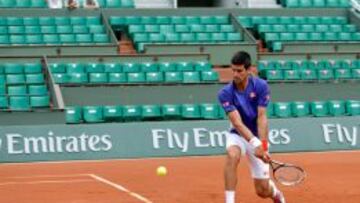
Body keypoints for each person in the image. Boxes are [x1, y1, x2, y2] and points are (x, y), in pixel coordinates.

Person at [218, 51, 286, 203]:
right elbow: (237, 123)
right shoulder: (225, 93)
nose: (235, 74)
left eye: (239, 71)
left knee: (262, 191)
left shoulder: (261, 86)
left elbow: (262, 117)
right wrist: (254, 143)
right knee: (232, 155)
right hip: (238, 134)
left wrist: (263, 145)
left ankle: (276, 194)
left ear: (249, 70)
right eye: (233, 70)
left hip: (258, 134)